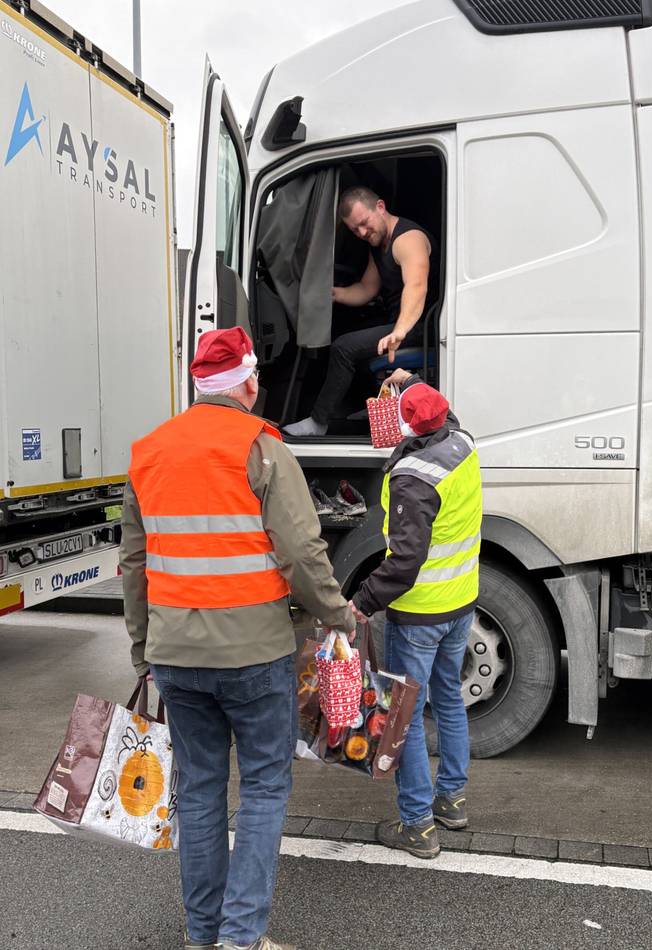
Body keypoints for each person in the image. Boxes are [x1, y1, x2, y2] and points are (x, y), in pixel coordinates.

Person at [120, 326, 354, 950]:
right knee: (265, 787)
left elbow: (135, 566)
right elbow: (303, 552)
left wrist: (143, 649)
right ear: (247, 382)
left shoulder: (148, 452)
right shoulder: (263, 448)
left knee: (199, 792)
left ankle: (202, 935)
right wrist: (339, 616)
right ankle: (240, 938)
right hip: (255, 656)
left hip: (175, 657)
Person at [349, 369, 482, 859]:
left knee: (402, 716)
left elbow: (404, 563)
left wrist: (360, 603)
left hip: (420, 613)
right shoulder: (462, 441)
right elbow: (436, 411)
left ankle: (419, 825)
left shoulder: (413, 478)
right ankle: (453, 802)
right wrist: (413, 382)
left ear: (407, 426)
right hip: (461, 603)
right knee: (447, 699)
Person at [283, 186, 433, 437]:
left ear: (381, 207)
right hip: (401, 323)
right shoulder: (377, 244)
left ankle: (318, 423)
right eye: (355, 229)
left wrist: (400, 330)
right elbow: (367, 288)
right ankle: (369, 408)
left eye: (365, 223)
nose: (362, 232)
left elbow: (417, 286)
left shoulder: (408, 239)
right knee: (346, 332)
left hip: (420, 326)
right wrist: (331, 294)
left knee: (345, 347)